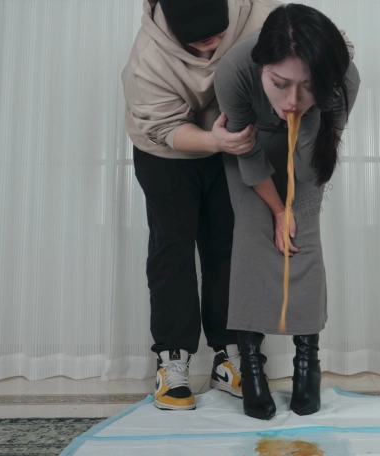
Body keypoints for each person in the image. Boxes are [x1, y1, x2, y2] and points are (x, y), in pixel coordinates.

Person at [121, 0, 281, 411]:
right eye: (196, 37)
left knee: (229, 248)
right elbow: (164, 127)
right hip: (167, 149)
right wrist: (213, 140)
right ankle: (172, 359)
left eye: (216, 32)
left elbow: (324, 45)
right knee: (172, 248)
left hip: (233, 141)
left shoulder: (260, 14)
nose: (209, 42)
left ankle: (231, 356)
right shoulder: (147, 61)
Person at [214, 3, 360, 420]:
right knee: (254, 232)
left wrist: (293, 210)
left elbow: (316, 159)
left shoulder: (344, 79)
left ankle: (307, 360)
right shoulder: (234, 71)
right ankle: (251, 365)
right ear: (262, 67)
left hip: (307, 141)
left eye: (307, 86)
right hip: (248, 146)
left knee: (303, 236)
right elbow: (247, 154)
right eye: (280, 84)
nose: (292, 100)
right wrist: (278, 209)